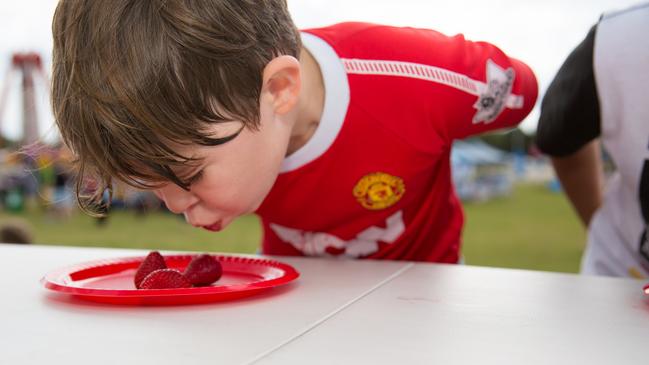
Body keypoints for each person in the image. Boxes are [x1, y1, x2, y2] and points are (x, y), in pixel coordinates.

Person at [51, 0, 537, 262]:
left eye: (187, 175)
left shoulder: (420, 81)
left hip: (427, 310)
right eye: (148, 182)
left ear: (279, 89)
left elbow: (525, 92)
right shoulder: (238, 111)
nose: (173, 205)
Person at [536, 3, 649, 278]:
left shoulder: (620, 35)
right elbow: (558, 137)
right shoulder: (619, 38)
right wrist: (600, 225)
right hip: (628, 276)